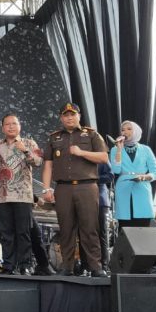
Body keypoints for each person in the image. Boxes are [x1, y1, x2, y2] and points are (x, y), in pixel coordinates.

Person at [41, 103, 109, 277]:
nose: (69, 118)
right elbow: (48, 165)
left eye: (72, 114)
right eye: (65, 115)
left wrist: (81, 153)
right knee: (66, 228)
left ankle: (95, 266)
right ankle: (67, 266)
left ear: (79, 116)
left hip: (87, 186)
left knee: (90, 228)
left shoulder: (91, 134)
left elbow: (103, 157)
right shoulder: (54, 137)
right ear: (61, 118)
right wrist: (46, 188)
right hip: (63, 188)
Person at [0, 114, 44, 275]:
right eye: (7, 124)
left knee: (23, 232)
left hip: (23, 196)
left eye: (14, 123)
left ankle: (25, 265)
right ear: (2, 128)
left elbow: (38, 162)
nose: (11, 127)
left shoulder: (29, 143)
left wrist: (25, 151)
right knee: (6, 233)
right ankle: (8, 265)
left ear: (19, 126)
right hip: (2, 196)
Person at [110, 120, 156, 228]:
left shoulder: (146, 149)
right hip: (123, 188)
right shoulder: (115, 149)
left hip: (142, 187)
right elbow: (116, 170)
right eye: (123, 130)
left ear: (136, 131)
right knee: (125, 226)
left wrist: (145, 177)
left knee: (143, 225)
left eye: (129, 129)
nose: (125, 132)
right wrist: (119, 149)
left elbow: (155, 172)